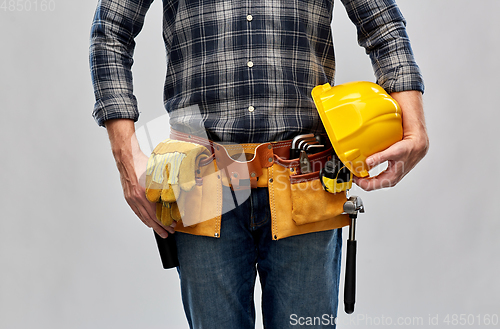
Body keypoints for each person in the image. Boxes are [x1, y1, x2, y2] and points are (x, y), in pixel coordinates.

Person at [90, 0, 429, 328]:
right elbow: (111, 29)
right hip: (200, 180)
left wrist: (415, 127)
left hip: (304, 178)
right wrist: (126, 156)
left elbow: (383, 25)